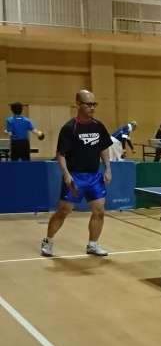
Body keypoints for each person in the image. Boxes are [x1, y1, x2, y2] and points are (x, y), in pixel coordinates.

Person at [40, 90, 112, 258]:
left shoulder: (98, 126)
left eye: (94, 104)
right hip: (75, 176)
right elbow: (61, 154)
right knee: (64, 211)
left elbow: (103, 148)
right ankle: (48, 241)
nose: (92, 108)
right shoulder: (69, 128)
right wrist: (66, 174)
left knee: (99, 211)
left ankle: (93, 245)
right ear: (78, 104)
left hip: (94, 176)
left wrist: (108, 168)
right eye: (88, 104)